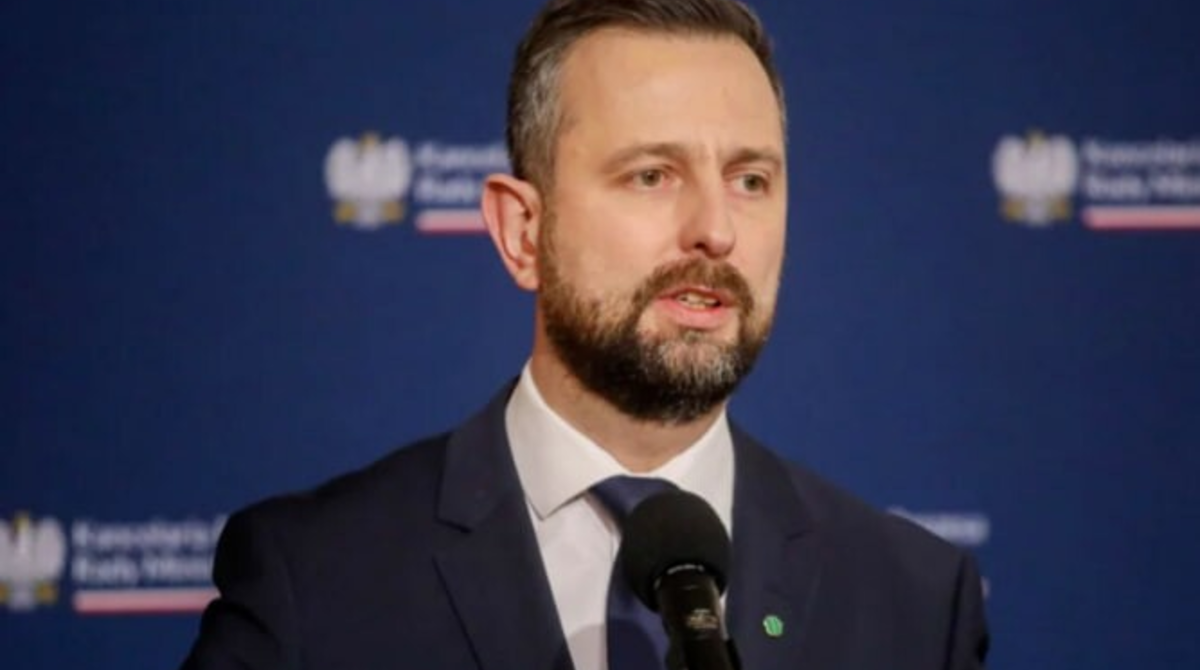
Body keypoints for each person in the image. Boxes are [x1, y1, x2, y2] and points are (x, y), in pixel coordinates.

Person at [181, 0, 989, 668]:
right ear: (522, 232)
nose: (716, 230)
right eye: (652, 175)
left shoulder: (914, 603)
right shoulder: (316, 582)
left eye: (750, 180)